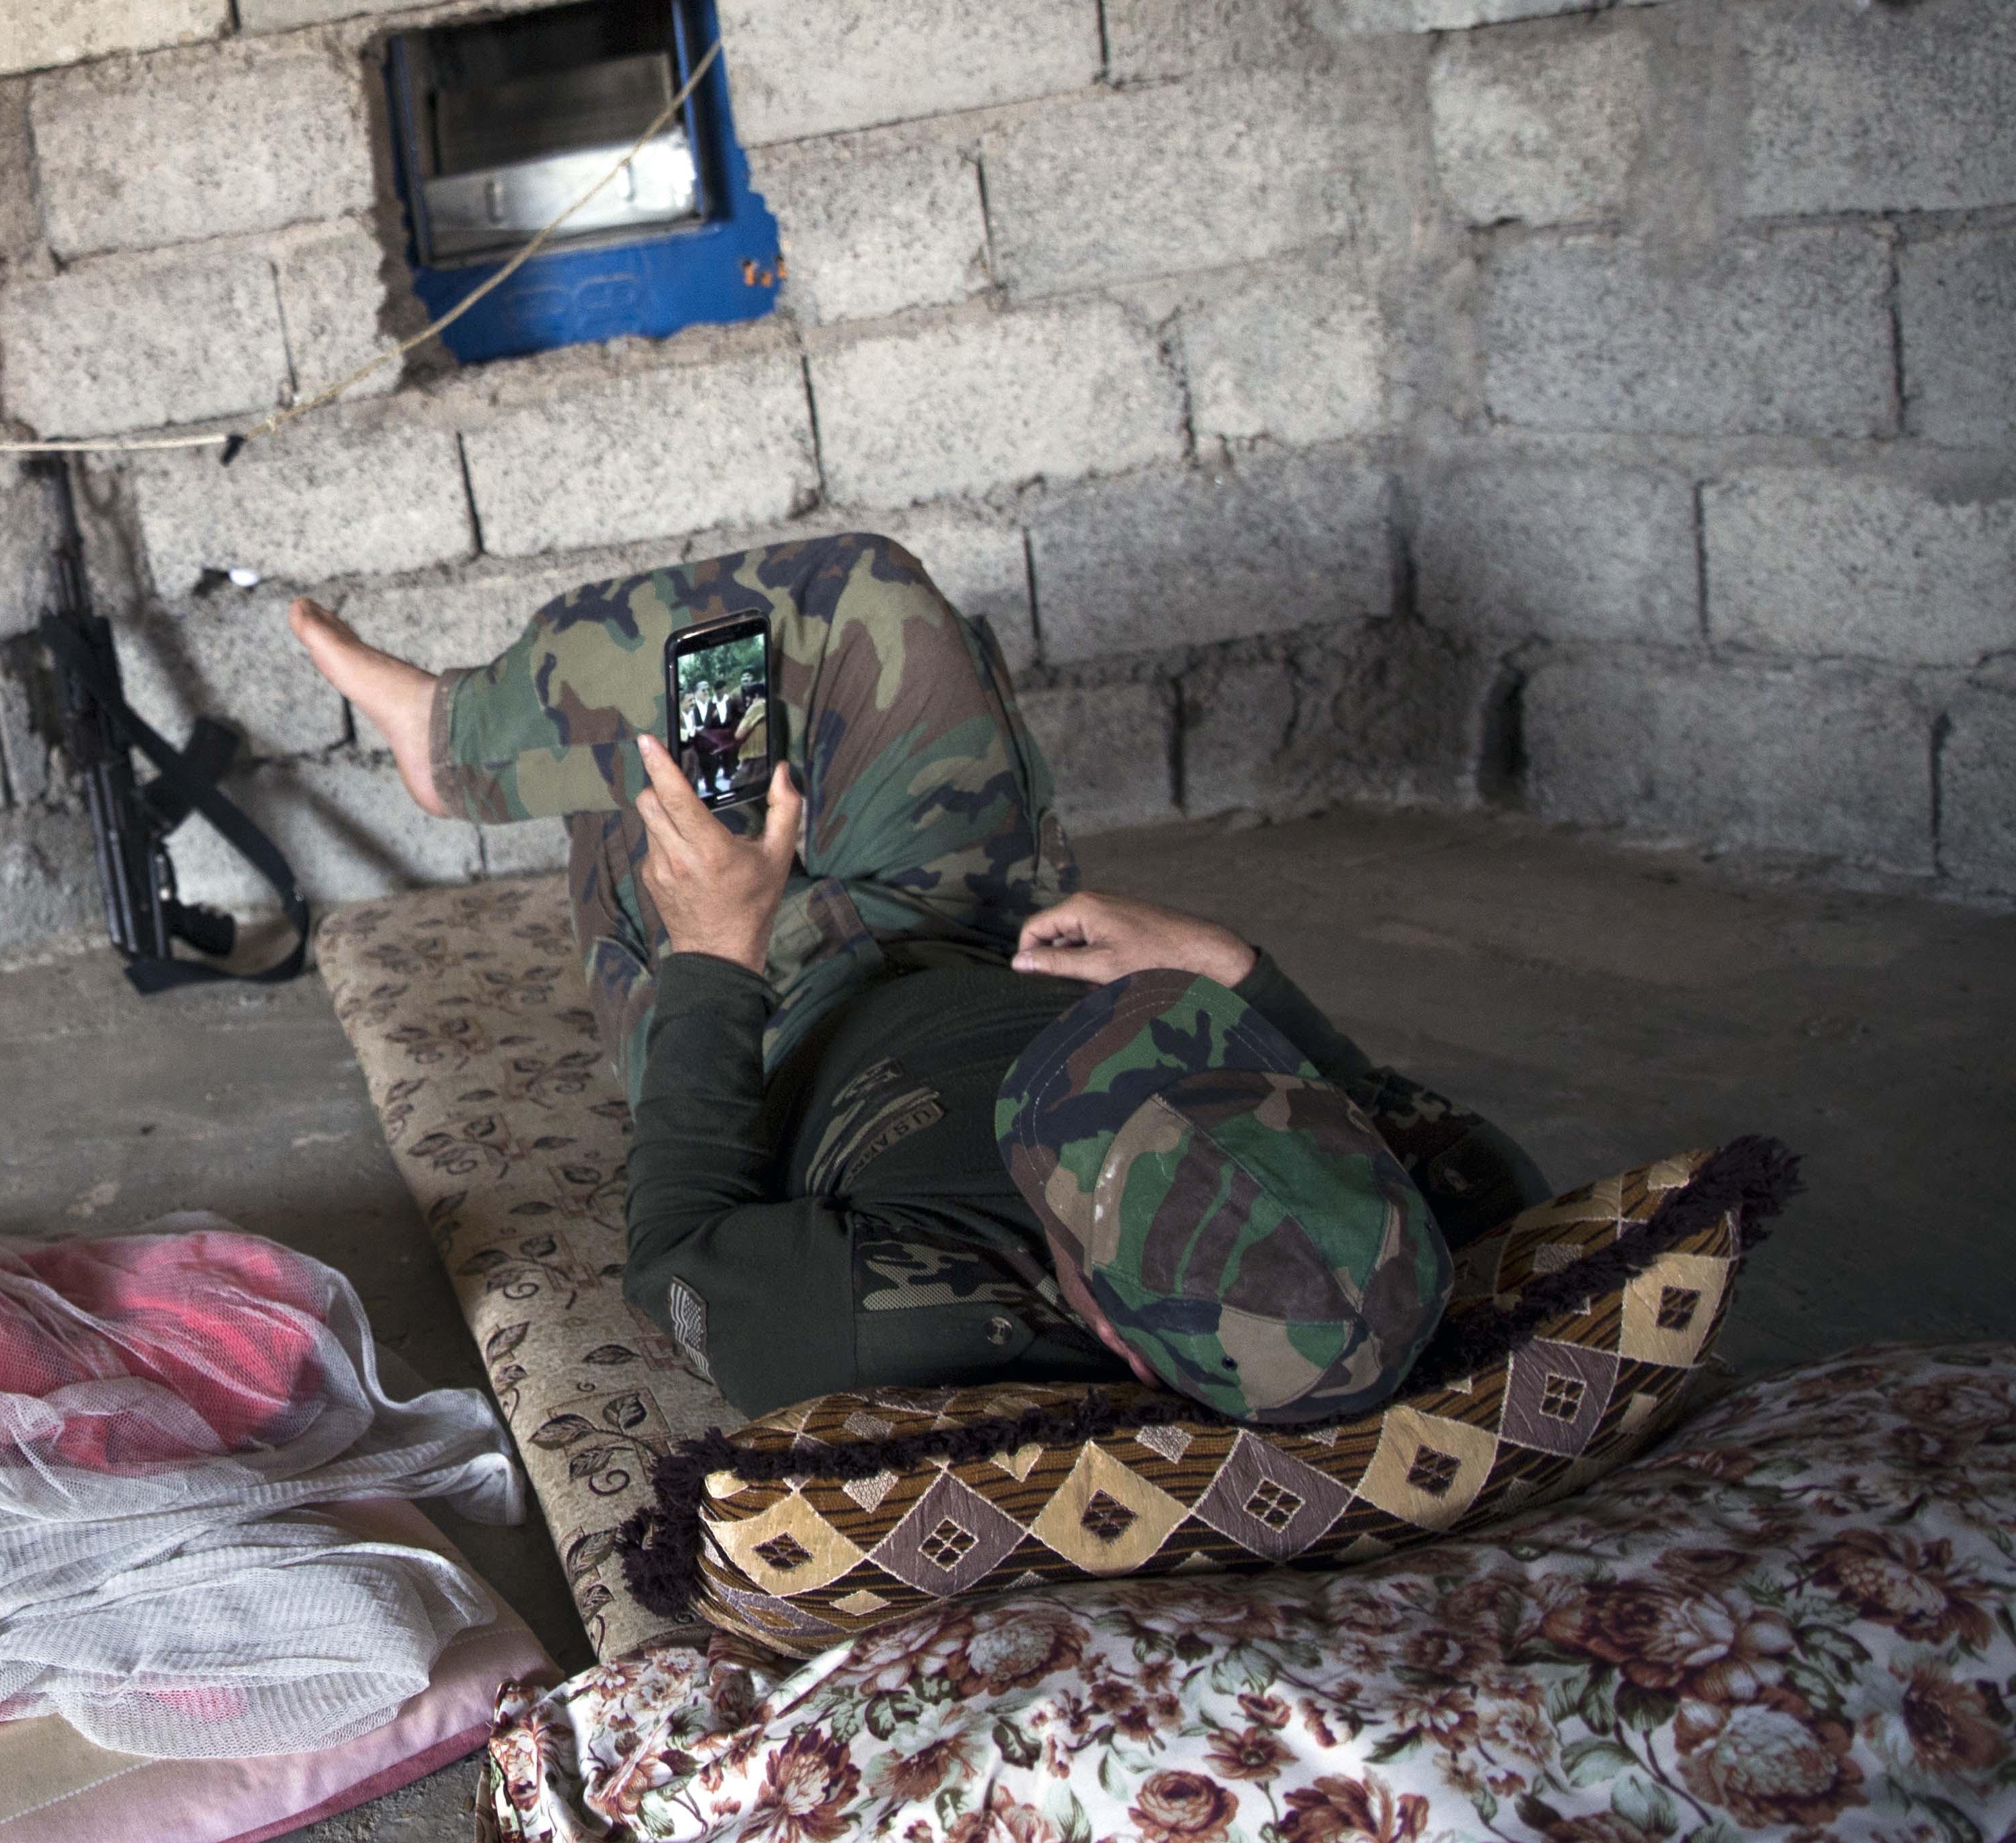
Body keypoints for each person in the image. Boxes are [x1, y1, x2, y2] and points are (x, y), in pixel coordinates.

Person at [288, 532, 1545, 1425]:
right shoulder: (1441, 1211)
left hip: (773, 1008)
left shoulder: (914, 1327)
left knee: (657, 780)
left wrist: (714, 955)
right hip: (980, 924)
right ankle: (460, 736)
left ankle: (447, 751)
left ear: (1103, 1323)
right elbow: (1383, 1099)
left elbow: (676, 1249)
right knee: (869, 597)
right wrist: (1223, 971)